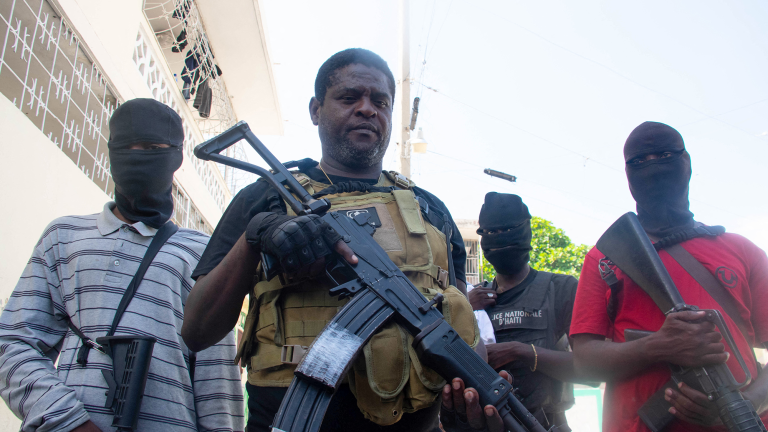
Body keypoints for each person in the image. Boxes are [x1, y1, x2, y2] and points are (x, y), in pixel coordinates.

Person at [181, 48, 477, 432]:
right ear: (316, 110)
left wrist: (473, 396)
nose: (368, 109)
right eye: (350, 97)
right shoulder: (266, 197)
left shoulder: (430, 210)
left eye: (380, 102)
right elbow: (197, 330)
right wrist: (256, 236)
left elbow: (460, 327)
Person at [0, 98, 243, 432]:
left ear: (176, 156)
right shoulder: (63, 235)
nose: (137, 156)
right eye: (126, 147)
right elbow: (14, 344)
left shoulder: (203, 251)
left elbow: (216, 381)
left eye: (152, 147)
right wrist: (67, 420)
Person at [570, 121, 768, 431]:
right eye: (639, 162)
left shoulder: (741, 250)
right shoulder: (605, 258)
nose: (652, 167)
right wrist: (661, 346)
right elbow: (584, 361)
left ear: (686, 163)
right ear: (627, 175)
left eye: (664, 155)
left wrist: (749, 403)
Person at [466, 192, 578, 430]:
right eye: (491, 233)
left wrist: (520, 351)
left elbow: (590, 369)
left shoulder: (560, 289)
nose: (499, 239)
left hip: (549, 424)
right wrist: (464, 308)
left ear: (525, 230)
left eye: (508, 231)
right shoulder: (472, 300)